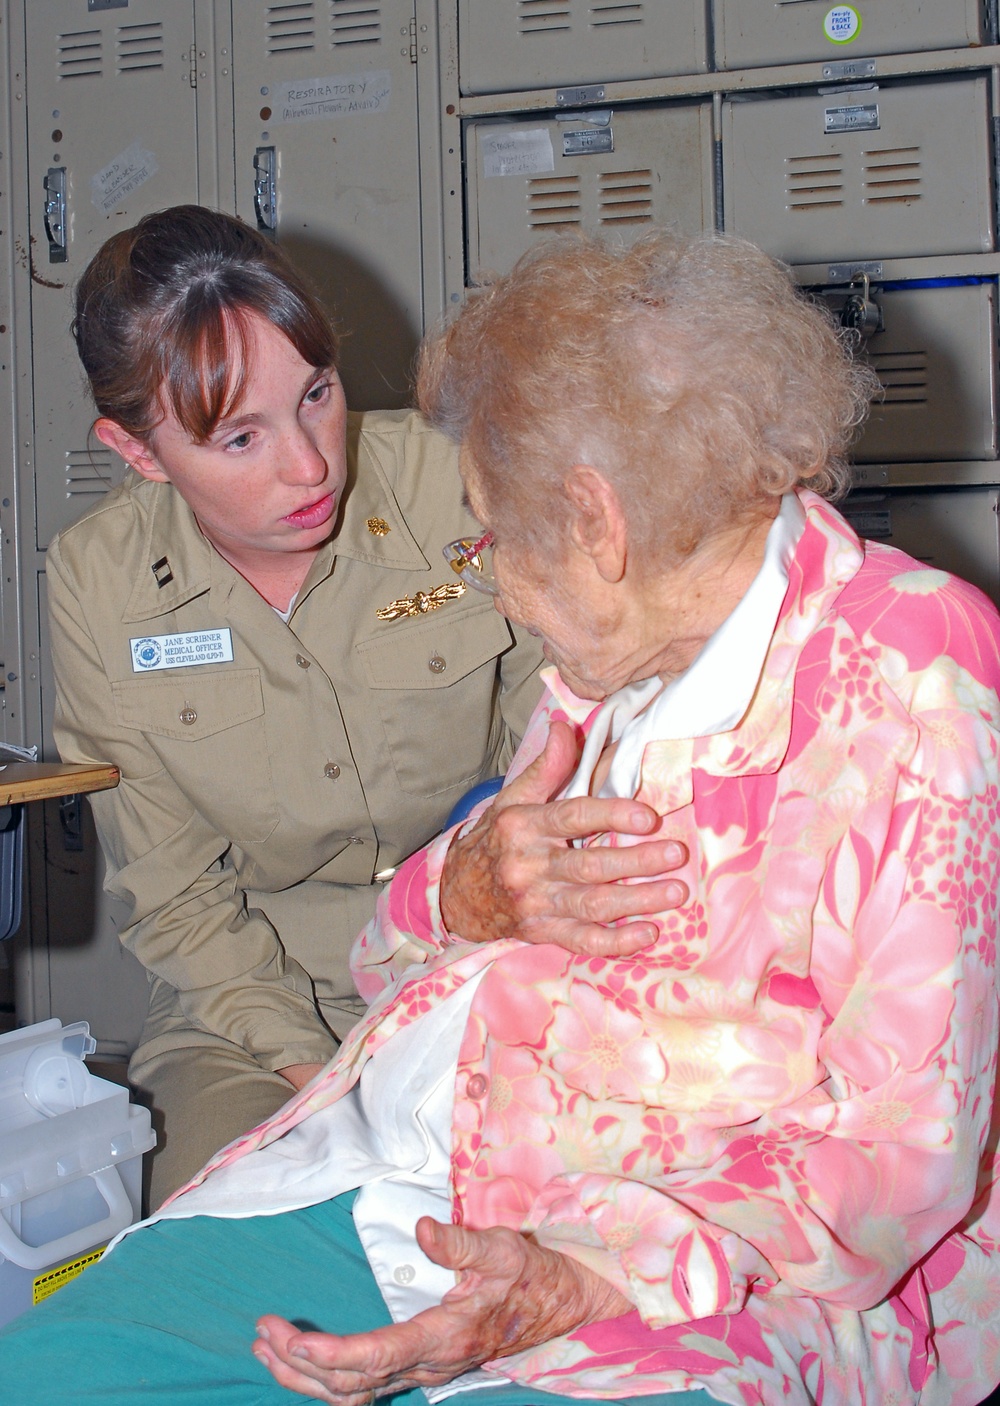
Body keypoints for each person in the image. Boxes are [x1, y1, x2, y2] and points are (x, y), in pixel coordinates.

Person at [4, 230, 999, 1406]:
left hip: (679, 1236)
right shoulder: (608, 664)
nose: (496, 579)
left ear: (595, 523)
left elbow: (898, 1147)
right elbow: (390, 956)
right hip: (426, 1152)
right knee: (60, 1365)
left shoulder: (905, 670)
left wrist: (590, 1271)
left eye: (499, 538)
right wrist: (461, 890)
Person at [52, 206, 689, 1205]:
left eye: (316, 394)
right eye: (239, 436)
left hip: (492, 945)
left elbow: (578, 727)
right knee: (234, 1240)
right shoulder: (99, 586)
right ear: (137, 452)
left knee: (571, 1218)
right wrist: (324, 1079)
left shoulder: (452, 486)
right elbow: (176, 894)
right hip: (254, 1004)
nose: (308, 464)